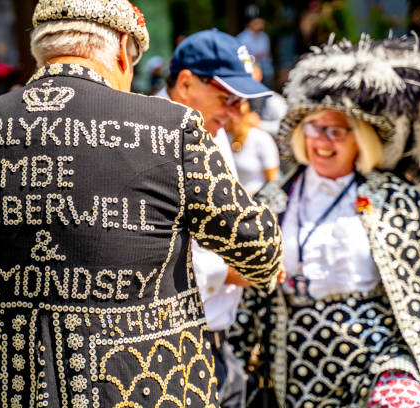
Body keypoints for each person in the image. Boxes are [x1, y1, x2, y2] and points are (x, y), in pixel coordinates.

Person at [0, 2, 283, 407]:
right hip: (137, 382)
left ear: (41, 50)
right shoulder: (173, 128)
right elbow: (260, 249)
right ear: (121, 49)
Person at [230, 35, 420, 408]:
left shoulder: (393, 196)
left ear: (359, 138)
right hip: (298, 365)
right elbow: (249, 294)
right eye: (314, 127)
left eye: (336, 130)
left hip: (383, 351)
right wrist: (230, 364)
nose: (323, 140)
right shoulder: (273, 202)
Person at [157, 29, 278, 408]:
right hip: (174, 340)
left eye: (241, 100)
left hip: (216, 334)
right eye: (227, 98)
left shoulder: (209, 127)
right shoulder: (150, 137)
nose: (235, 110)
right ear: (186, 82)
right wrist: (228, 272)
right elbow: (147, 245)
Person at [226, 103, 280, 195]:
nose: (235, 119)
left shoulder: (261, 138)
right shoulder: (226, 137)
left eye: (239, 114)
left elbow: (272, 179)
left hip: (257, 198)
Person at [237, 17, 274, 87]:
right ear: (250, 24)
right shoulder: (243, 37)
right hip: (250, 65)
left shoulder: (264, 36)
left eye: (261, 23)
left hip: (265, 65)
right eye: (257, 23)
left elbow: (266, 53)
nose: (260, 25)